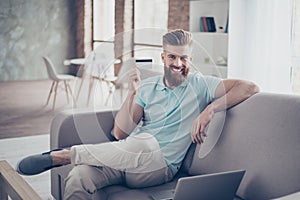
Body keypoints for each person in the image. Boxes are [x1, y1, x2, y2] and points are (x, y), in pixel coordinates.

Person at [16, 29, 259, 199]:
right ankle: (71, 159)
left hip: (158, 166)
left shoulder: (201, 84)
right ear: (163, 58)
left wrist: (210, 109)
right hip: (125, 158)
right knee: (80, 176)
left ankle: (63, 156)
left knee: (145, 143)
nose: (178, 63)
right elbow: (119, 132)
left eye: (183, 57)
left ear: (190, 59)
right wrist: (132, 94)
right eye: (172, 56)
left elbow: (250, 87)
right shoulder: (147, 87)